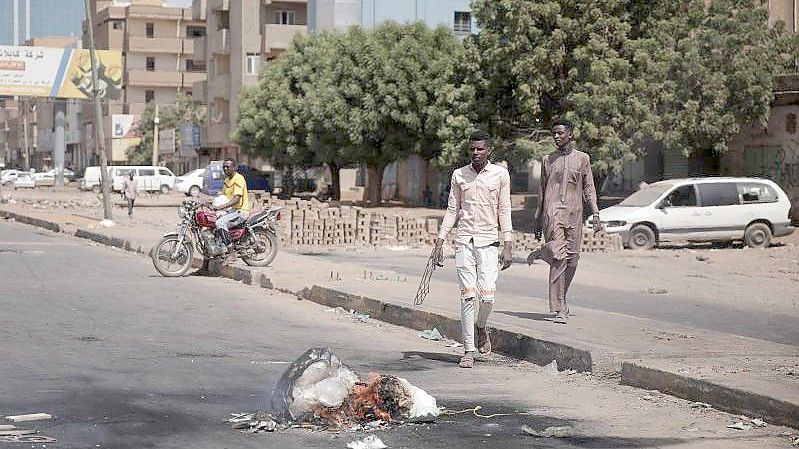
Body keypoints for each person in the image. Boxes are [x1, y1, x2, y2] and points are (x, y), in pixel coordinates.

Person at [432, 130, 513, 368]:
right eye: (472, 149)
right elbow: (452, 209)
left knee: (487, 297)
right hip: (464, 242)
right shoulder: (459, 175)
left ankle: (480, 326)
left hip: (489, 242)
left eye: (480, 149)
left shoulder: (500, 175)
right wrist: (440, 240)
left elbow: (504, 209)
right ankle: (468, 350)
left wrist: (508, 244)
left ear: (489, 151)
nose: (476, 153)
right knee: (468, 295)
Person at [529, 118, 602, 324]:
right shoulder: (547, 159)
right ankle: (559, 307)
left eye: (560, 133)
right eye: (553, 133)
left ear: (570, 134)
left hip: (575, 213)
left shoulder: (583, 159)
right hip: (552, 213)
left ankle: (561, 294)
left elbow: (589, 187)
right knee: (560, 257)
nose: (556, 136)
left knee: (572, 259)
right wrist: (537, 218)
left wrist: (595, 213)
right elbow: (542, 191)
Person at [211, 158, 250, 262]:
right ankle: (205, 266)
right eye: (224, 167)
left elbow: (236, 200)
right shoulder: (227, 181)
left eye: (228, 167)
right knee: (210, 228)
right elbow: (222, 196)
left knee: (220, 223)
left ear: (234, 168)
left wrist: (219, 208)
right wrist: (208, 202)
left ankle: (232, 253)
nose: (225, 169)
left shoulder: (238, 178)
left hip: (240, 211)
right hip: (231, 211)